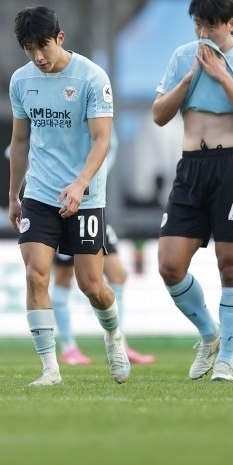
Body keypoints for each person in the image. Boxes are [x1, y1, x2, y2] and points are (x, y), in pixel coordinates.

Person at [152, 0, 233, 382]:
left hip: (231, 166)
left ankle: (228, 359)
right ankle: (209, 334)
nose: (203, 33)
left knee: (231, 266)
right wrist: (190, 78)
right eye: (198, 25)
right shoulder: (181, 57)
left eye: (211, 26)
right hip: (191, 166)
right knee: (170, 264)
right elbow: (158, 114)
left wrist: (222, 76)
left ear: (231, 24)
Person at [8, 5, 130, 387]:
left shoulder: (92, 77)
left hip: (85, 196)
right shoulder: (20, 81)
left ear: (60, 38)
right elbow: (20, 139)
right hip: (40, 193)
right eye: (29, 49)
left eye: (42, 46)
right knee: (34, 275)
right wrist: (15, 193)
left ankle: (113, 335)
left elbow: (102, 140)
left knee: (92, 286)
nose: (38, 57)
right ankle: (50, 368)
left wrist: (79, 184)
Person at [52, 131, 154, 366]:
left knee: (118, 273)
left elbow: (105, 154)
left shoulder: (105, 124)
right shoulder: (65, 115)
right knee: (65, 277)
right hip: (64, 203)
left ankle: (120, 342)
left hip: (93, 203)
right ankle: (68, 347)